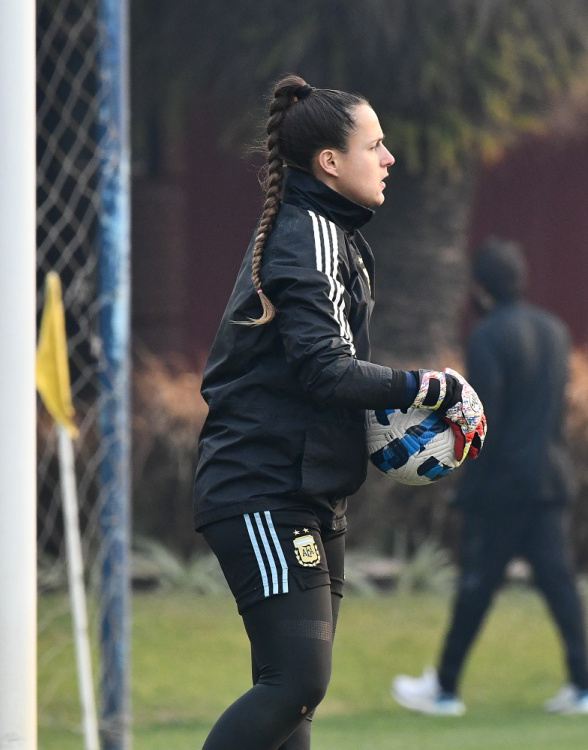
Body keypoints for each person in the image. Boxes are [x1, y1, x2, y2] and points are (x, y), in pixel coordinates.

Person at [193, 74, 487, 750]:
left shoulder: (336, 237)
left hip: (311, 492)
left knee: (293, 697)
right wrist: (433, 390)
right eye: (374, 145)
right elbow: (324, 371)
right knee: (295, 683)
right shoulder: (308, 238)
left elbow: (323, 378)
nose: (389, 158)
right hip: (262, 488)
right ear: (329, 161)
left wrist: (398, 419)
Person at [391, 239, 588, 717]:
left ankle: (445, 690)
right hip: (549, 478)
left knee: (476, 586)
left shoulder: (488, 335)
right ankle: (585, 686)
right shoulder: (554, 330)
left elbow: (481, 418)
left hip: (503, 486)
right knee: (560, 585)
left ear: (480, 289)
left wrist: (465, 484)